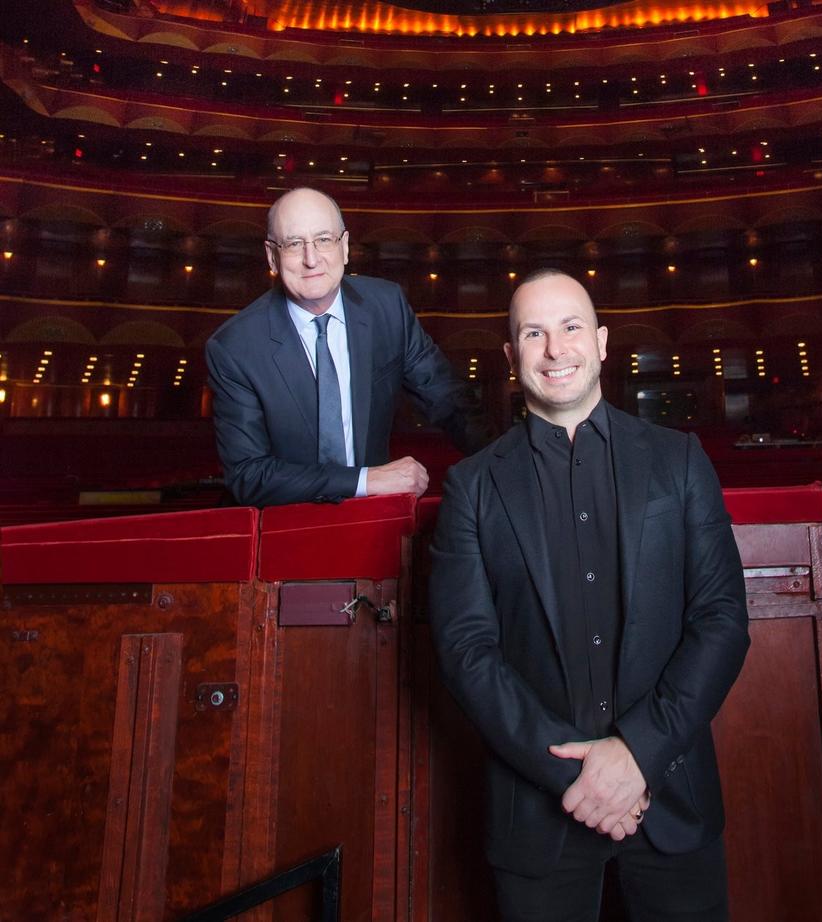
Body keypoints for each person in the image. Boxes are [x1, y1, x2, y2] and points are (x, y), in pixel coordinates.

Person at [429, 269, 749, 921]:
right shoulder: (472, 488)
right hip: (538, 814)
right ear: (512, 356)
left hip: (670, 798)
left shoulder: (681, 460)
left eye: (571, 327)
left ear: (602, 342)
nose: (556, 349)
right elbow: (467, 654)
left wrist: (638, 755)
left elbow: (722, 621)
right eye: (534, 333)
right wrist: (579, 776)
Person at [206, 186, 482, 507]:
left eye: (324, 239)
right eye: (294, 244)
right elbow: (249, 475)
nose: (312, 259)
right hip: (284, 530)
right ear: (272, 256)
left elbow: (450, 401)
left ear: (345, 247)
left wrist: (513, 461)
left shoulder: (387, 306)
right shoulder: (234, 347)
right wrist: (366, 480)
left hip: (370, 524)